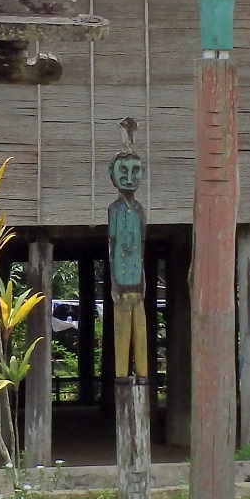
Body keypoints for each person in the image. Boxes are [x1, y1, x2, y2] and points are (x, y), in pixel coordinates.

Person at [107, 118, 147, 381]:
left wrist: (143, 282)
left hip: (137, 286)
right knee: (121, 334)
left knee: (141, 334)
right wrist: (113, 283)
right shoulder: (114, 210)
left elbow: (141, 248)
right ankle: (121, 376)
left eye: (135, 171)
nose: (130, 178)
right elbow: (112, 247)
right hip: (121, 286)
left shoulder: (140, 211)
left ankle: (143, 375)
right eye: (123, 171)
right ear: (112, 174)